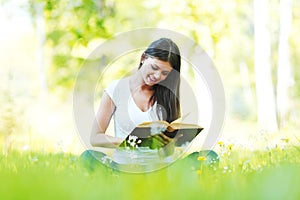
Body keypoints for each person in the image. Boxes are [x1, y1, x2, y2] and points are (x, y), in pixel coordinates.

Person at [81, 38, 218, 172]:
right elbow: (95, 137)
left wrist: (171, 142)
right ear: (143, 58)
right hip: (125, 168)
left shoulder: (168, 95)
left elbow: (167, 153)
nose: (157, 76)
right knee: (88, 157)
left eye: (165, 73)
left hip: (161, 170)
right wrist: (128, 142)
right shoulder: (116, 89)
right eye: (154, 67)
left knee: (210, 156)